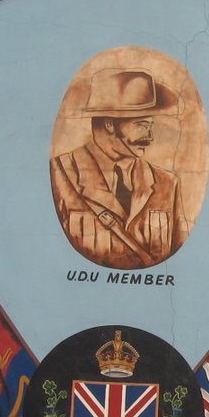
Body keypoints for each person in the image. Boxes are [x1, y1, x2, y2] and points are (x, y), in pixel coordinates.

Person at [51, 68, 188, 269]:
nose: (150, 137)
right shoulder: (60, 175)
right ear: (109, 124)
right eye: (141, 125)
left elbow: (179, 262)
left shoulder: (167, 183)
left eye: (151, 126)